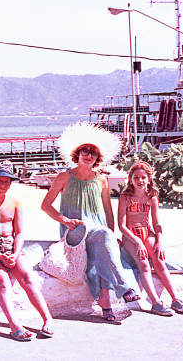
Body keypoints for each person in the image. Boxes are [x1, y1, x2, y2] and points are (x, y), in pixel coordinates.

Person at [41, 122, 140, 322]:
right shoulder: (64, 177)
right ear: (77, 154)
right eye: (84, 151)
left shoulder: (101, 180)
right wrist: (65, 221)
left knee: (104, 246)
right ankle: (124, 287)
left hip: (99, 230)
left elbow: (107, 211)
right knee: (104, 240)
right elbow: (46, 206)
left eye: (93, 153)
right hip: (75, 231)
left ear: (97, 158)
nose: (88, 155)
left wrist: (113, 234)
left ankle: (105, 301)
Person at [0, 160, 54, 342]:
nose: (2, 185)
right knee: (2, 281)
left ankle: (47, 318)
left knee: (27, 278)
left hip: (12, 248)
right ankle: (14, 325)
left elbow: (20, 233)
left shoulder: (15, 203)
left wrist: (15, 253)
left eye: (6, 182)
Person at [117, 161, 183, 316]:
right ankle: (156, 303)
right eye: (136, 177)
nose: (140, 181)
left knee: (159, 261)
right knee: (143, 264)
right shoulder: (125, 197)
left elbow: (157, 223)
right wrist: (138, 242)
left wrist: (159, 241)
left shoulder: (152, 197)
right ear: (131, 179)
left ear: (149, 179)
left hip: (147, 232)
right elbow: (121, 225)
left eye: (143, 177)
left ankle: (175, 299)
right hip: (131, 235)